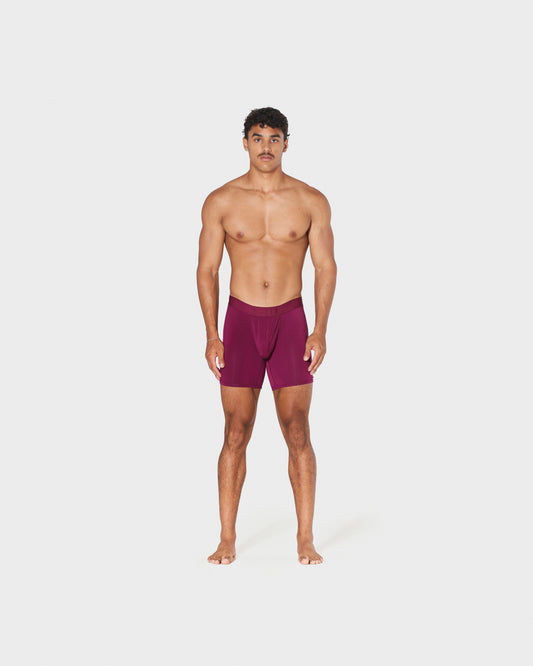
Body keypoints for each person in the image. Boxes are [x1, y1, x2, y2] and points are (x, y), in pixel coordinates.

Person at [196, 107, 336, 565]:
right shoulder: (221, 200)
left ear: (286, 144)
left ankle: (305, 538)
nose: (266, 147)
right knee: (235, 430)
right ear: (245, 143)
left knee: (297, 428)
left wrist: (320, 329)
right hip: (240, 322)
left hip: (290, 321)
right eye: (257, 138)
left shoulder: (311, 200)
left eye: (275, 138)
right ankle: (227, 538)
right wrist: (211, 335)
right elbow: (207, 270)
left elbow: (325, 267)